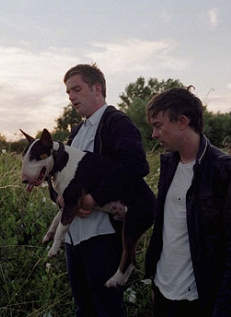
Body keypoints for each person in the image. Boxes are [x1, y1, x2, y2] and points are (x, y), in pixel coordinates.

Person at [144, 87, 231, 317]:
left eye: (158, 125)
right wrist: (156, 283)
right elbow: (167, 232)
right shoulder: (169, 164)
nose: (154, 135)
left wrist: (224, 308)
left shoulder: (222, 169)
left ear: (182, 121)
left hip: (199, 301)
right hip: (164, 295)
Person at [60, 63, 155, 317]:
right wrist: (59, 199)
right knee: (84, 310)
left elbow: (136, 165)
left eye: (77, 89)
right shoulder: (77, 132)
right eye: (68, 92)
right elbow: (65, 176)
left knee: (107, 310)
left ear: (97, 88)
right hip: (73, 239)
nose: (71, 97)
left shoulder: (116, 122)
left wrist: (94, 198)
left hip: (102, 236)